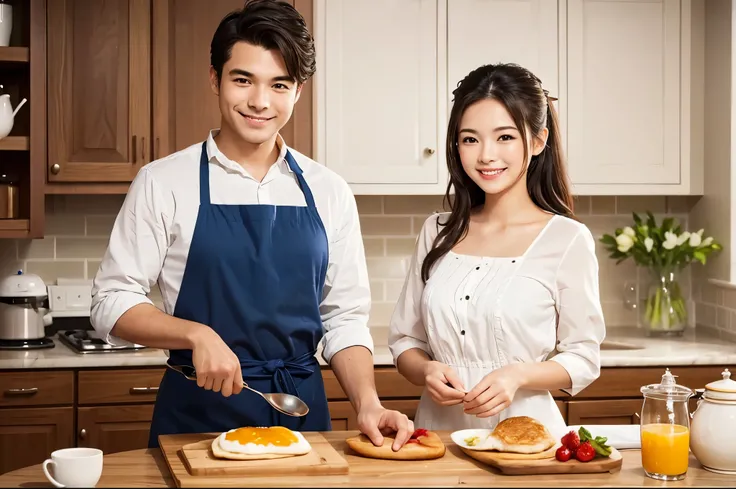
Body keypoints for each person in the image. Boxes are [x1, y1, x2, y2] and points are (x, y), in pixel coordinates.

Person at [90, 0, 413, 449]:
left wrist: (368, 402)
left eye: (279, 84)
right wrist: (193, 332)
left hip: (301, 414)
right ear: (214, 79)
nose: (260, 102)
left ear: (298, 91)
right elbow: (110, 302)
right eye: (243, 80)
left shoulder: (328, 189)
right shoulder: (164, 182)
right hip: (196, 415)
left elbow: (344, 317)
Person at [387, 63, 606, 440]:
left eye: (504, 137)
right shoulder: (437, 232)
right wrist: (426, 371)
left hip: (528, 438)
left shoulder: (567, 239)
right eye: (470, 139)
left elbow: (584, 357)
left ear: (537, 141)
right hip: (438, 436)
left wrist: (518, 375)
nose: (486, 155)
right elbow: (406, 341)